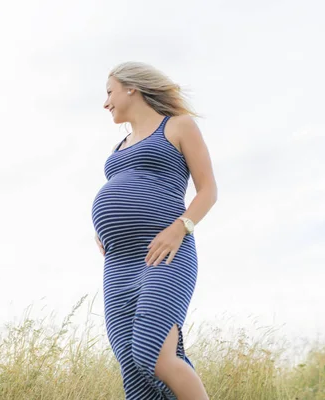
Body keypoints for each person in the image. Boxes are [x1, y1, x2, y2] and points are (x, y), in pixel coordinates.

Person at [91, 61, 217, 399]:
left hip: (165, 252)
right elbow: (122, 192)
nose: (106, 103)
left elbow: (208, 191)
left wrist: (180, 228)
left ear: (131, 87)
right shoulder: (119, 147)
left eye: (109, 92)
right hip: (118, 263)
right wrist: (103, 228)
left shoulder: (178, 126)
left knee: (153, 353)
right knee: (132, 369)